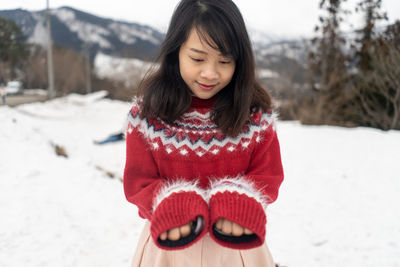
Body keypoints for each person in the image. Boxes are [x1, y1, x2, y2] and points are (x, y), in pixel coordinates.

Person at [123, 0, 284, 266]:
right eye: (197, 58)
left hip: (236, 249)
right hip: (169, 248)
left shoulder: (255, 115)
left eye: (224, 61)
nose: (210, 73)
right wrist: (170, 201)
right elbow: (138, 182)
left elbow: (269, 175)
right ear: (176, 51)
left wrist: (238, 197)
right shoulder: (146, 115)